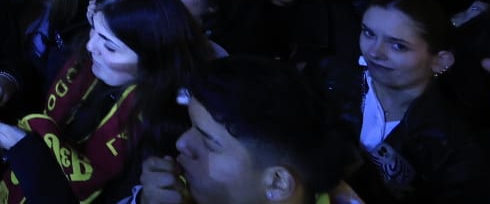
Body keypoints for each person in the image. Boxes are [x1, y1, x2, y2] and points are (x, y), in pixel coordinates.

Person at [0, 0, 201, 204]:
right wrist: (6, 79)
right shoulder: (81, 55)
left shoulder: (159, 135)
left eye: (109, 46)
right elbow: (35, 72)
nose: (91, 46)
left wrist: (27, 152)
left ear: (153, 60)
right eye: (94, 30)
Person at [325, 0, 490, 202]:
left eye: (398, 46)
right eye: (369, 33)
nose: (374, 52)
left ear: (440, 61)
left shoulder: (454, 146)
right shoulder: (329, 77)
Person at [138, 55, 356, 204]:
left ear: (277, 183)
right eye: (192, 125)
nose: (181, 143)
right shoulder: (183, 190)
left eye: (208, 143)